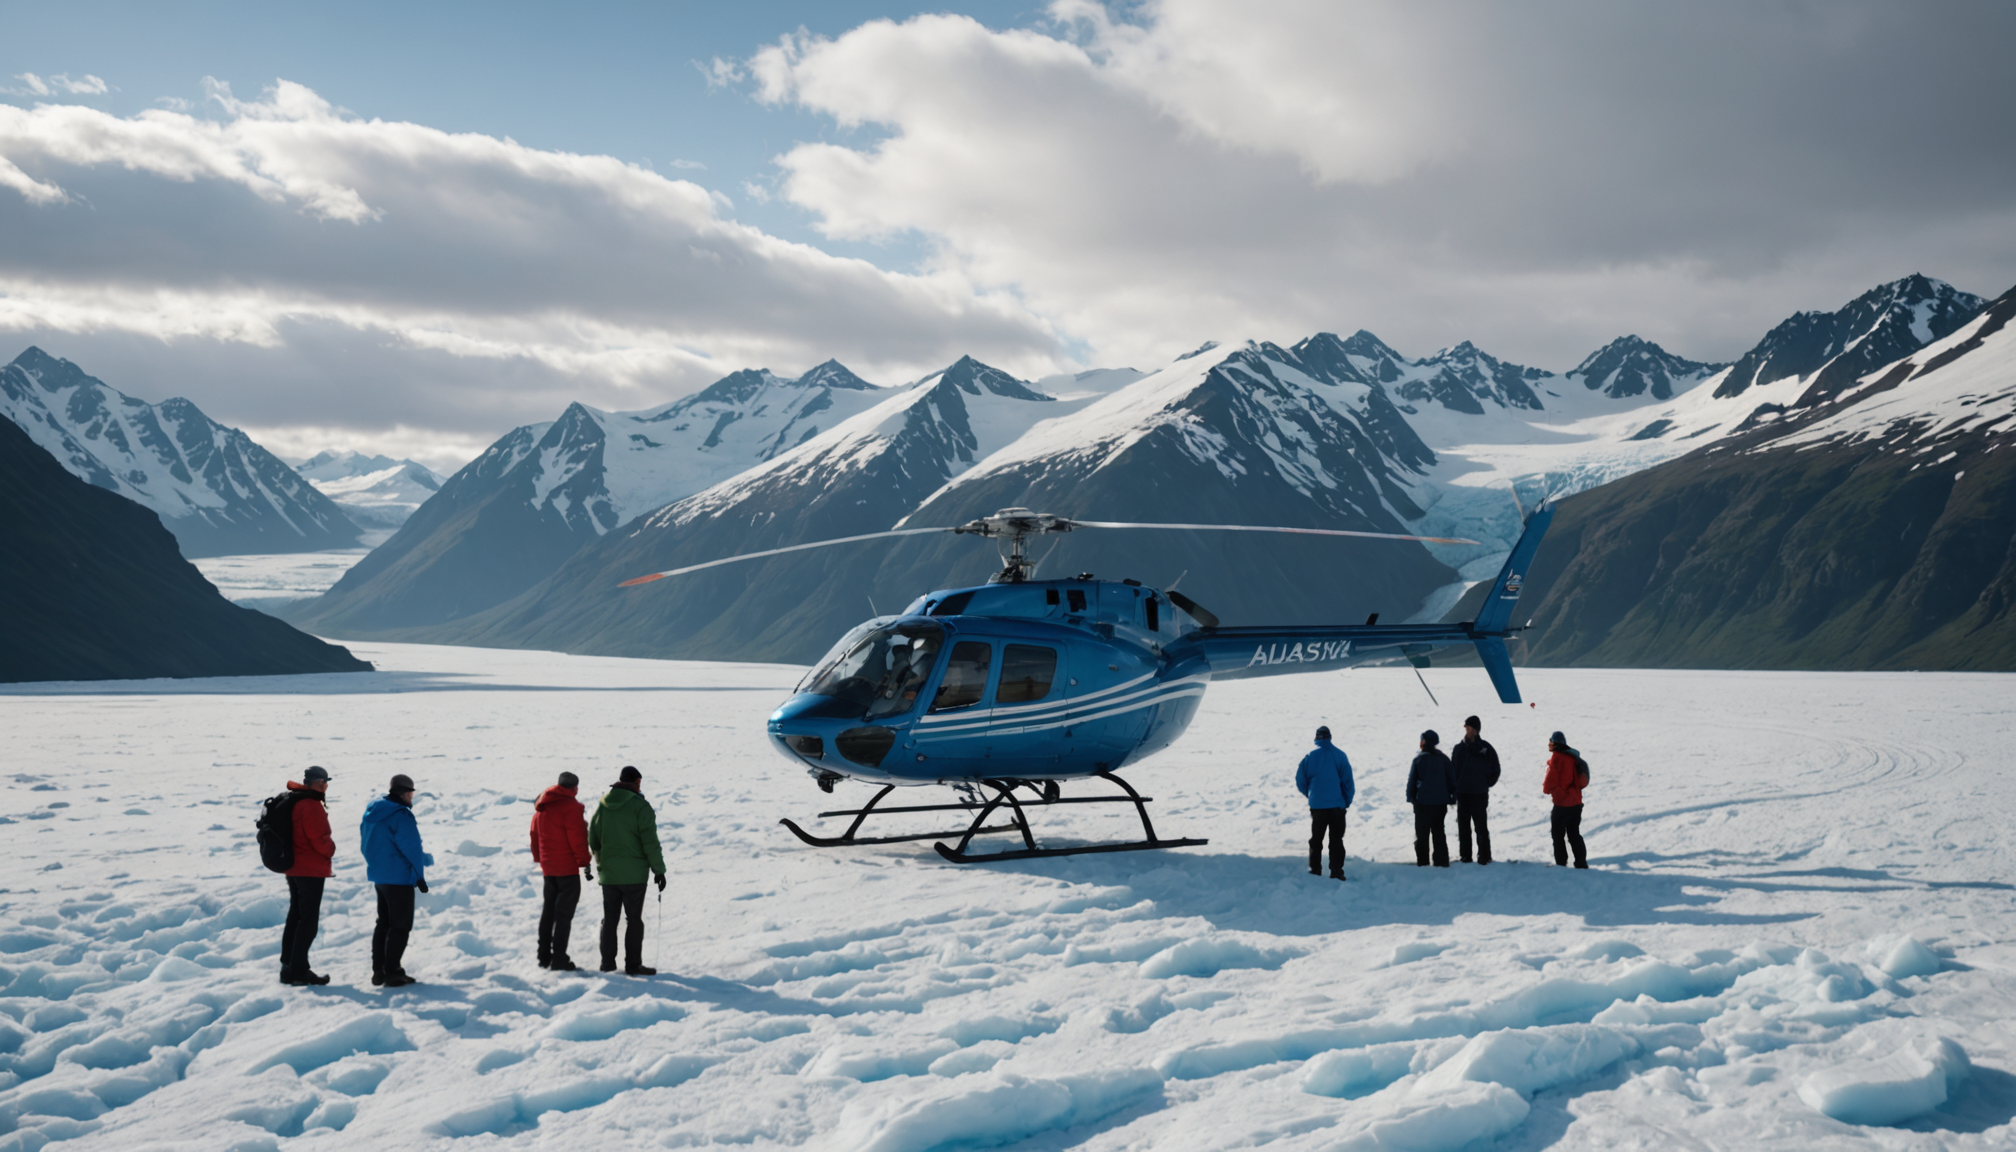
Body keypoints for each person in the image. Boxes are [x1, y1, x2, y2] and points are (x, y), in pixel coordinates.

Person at [588, 765, 666, 976]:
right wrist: (659, 870)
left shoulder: (603, 805)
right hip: (634, 876)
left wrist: (602, 862)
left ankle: (607, 964)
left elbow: (593, 837)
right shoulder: (641, 807)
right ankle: (633, 965)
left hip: (609, 874)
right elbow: (650, 843)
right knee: (633, 920)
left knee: (610, 919)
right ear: (636, 782)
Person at [361, 773, 433, 987]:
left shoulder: (373, 811)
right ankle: (393, 971)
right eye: (411, 793)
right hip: (399, 878)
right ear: (404, 793)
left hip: (379, 876)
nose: (412, 797)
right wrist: (420, 876)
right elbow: (411, 848)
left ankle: (379, 970)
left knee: (383, 923)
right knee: (400, 926)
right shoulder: (401, 815)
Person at [530, 770, 593, 971]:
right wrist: (584, 860)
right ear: (575, 788)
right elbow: (577, 838)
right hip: (566, 869)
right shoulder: (572, 808)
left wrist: (541, 859)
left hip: (549, 868)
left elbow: (534, 835)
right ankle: (559, 958)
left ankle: (543, 956)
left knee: (548, 911)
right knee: (563, 916)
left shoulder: (542, 806)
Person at [279, 765, 336, 986]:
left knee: (296, 917)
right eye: (324, 782)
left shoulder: (297, 800)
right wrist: (331, 849)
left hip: (294, 868)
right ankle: (299, 970)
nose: (326, 786)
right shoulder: (311, 806)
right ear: (317, 782)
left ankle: (288, 967)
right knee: (308, 921)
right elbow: (320, 838)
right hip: (309, 870)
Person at [1295, 725, 1354, 880]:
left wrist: (1310, 795)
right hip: (1337, 806)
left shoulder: (1309, 756)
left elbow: (1300, 779)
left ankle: (1314, 869)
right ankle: (1336, 871)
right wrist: (1346, 801)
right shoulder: (1340, 756)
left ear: (1316, 738)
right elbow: (1348, 782)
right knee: (1336, 840)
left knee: (1316, 839)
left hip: (1318, 806)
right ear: (1329, 737)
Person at [1449, 715, 1501, 865]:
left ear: (1476, 730)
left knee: (1481, 828)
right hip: (1463, 794)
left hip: (1479, 794)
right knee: (1463, 828)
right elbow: (1453, 769)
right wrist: (1454, 788)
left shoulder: (1485, 748)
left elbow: (1496, 768)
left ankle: (1484, 857)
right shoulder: (1459, 748)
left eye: (1469, 727)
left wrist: (1488, 783)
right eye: (1466, 727)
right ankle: (1465, 857)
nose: (1466, 730)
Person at [1406, 730, 1455, 868]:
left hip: (1422, 803)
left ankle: (1423, 862)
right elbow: (1452, 779)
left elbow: (1412, 781)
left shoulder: (1419, 760)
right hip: (1440, 803)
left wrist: (1411, 797)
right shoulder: (1444, 759)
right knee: (1439, 832)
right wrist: (1452, 796)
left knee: (1422, 834)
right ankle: (1441, 862)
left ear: (1425, 742)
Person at [1542, 731, 1588, 868]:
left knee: (1557, 835)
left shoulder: (1557, 758)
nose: (1550, 744)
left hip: (1562, 805)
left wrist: (1550, 790)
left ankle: (1561, 864)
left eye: (1551, 742)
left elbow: (1549, 783)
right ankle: (1581, 863)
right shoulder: (1572, 756)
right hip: (1576, 802)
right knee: (1574, 834)